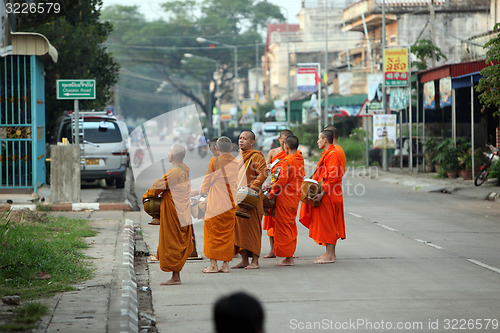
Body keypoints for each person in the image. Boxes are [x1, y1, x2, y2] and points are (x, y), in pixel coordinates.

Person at [142, 144, 193, 285]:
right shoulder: (184, 168)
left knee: (172, 243)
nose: (168, 153)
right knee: (175, 241)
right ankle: (175, 276)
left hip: (174, 212)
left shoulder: (174, 172)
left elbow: (157, 187)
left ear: (173, 155)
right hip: (181, 210)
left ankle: (175, 278)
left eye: (169, 151)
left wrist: (145, 196)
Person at [299, 130, 345, 264]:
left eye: (319, 139)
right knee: (327, 223)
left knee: (328, 224)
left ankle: (330, 255)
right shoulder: (328, 153)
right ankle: (330, 253)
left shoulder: (333, 155)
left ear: (325, 140)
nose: (317, 141)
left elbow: (332, 176)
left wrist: (322, 193)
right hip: (328, 192)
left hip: (328, 194)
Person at [197, 137, 239, 273]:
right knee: (227, 234)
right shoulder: (236, 163)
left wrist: (202, 193)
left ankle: (213, 265)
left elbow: (206, 182)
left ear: (216, 148)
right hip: (231, 203)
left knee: (212, 234)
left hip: (215, 204)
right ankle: (225, 266)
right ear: (231, 148)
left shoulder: (214, 162)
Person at [266, 135, 304, 266]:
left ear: (286, 147)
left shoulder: (286, 161)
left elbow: (281, 180)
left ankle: (288, 258)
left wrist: (271, 190)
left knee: (283, 226)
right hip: (295, 196)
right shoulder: (300, 159)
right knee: (290, 225)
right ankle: (289, 255)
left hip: (285, 197)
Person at [233, 130, 268, 269]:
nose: (241, 140)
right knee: (240, 230)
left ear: (252, 142)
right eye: (240, 138)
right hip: (240, 198)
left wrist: (253, 187)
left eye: (245, 138)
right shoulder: (240, 157)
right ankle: (244, 260)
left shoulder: (256, 156)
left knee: (253, 229)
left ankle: (255, 261)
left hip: (252, 198)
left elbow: (264, 172)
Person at [263, 129, 293, 258]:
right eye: (282, 139)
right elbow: (265, 169)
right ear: (279, 139)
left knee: (286, 221)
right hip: (273, 186)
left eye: (287, 140)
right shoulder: (273, 152)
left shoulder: (292, 155)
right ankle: (273, 249)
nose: (284, 142)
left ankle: (288, 249)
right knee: (271, 220)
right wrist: (268, 167)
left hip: (286, 190)